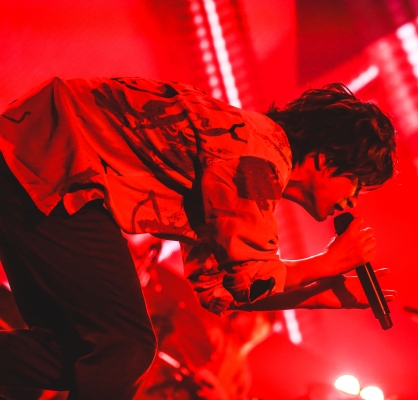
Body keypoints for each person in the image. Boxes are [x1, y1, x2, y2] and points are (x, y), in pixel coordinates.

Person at [0, 77, 397, 399]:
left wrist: (320, 296)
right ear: (324, 160)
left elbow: (223, 288)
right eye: (357, 183)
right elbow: (252, 275)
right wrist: (328, 262)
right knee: (125, 348)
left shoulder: (247, 157)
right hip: (52, 161)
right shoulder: (260, 155)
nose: (353, 200)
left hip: (36, 159)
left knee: (87, 352)